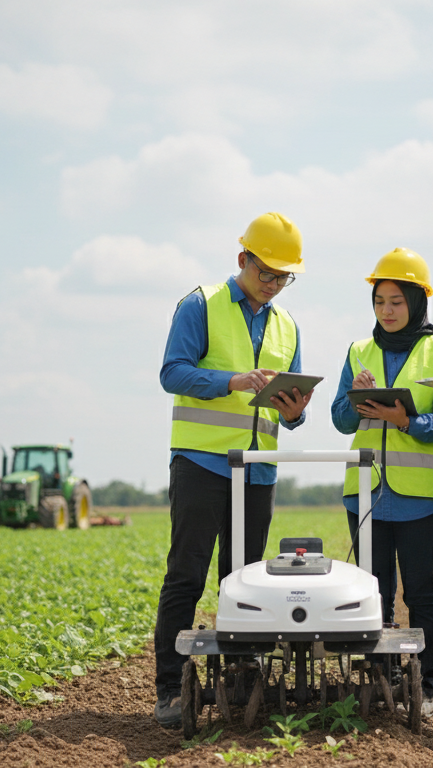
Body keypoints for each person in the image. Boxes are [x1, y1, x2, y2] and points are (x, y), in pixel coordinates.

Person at [152, 212, 313, 727]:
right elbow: (172, 372)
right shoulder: (200, 304)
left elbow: (296, 411)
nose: (273, 285)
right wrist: (233, 381)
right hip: (202, 462)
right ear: (241, 259)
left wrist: (294, 411)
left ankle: (240, 681)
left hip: (258, 470)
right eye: (266, 273)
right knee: (187, 575)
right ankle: (170, 690)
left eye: (282, 277)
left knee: (243, 581)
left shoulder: (288, 325)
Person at [331, 247, 433, 720]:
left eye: (397, 301)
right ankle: (382, 683)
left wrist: (407, 420)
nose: (387, 310)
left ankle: (423, 687)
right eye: (380, 301)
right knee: (374, 592)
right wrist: (354, 397)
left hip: (421, 497)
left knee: (420, 593)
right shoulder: (357, 352)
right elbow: (340, 421)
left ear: (418, 302)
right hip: (365, 491)